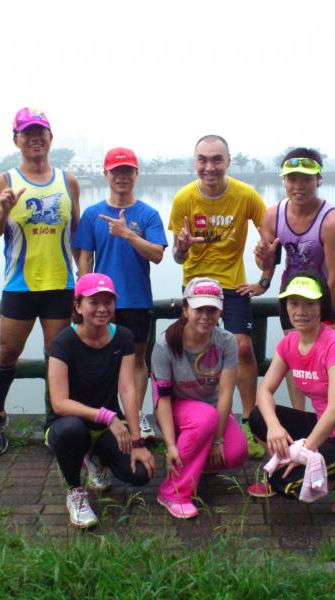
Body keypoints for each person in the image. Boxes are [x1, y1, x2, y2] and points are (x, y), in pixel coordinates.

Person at [0, 107, 80, 456]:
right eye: (27, 133)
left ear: (51, 138)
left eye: (41, 132)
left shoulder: (68, 181)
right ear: (16, 140)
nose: (35, 138)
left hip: (59, 284)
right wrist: (3, 210)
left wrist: (85, 278)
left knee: (57, 355)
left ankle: (55, 420)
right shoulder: (3, 181)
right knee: (8, 353)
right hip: (19, 285)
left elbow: (77, 234)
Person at [248, 274, 335, 517]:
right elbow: (264, 391)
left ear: (322, 307)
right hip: (324, 429)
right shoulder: (289, 343)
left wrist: (304, 451)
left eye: (310, 304)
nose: (301, 311)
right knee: (258, 417)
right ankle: (288, 464)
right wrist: (274, 427)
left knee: (284, 483)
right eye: (294, 303)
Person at [168, 134, 267, 459]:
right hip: (196, 284)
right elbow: (177, 258)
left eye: (216, 159)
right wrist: (182, 248)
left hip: (232, 283)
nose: (209, 167)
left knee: (242, 347)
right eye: (203, 160)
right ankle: (197, 419)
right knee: (193, 352)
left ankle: (250, 421)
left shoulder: (246, 195)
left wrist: (264, 280)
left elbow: (270, 240)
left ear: (228, 161)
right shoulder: (184, 198)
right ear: (195, 161)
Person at [45, 273, 155, 528]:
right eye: (94, 302)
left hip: (105, 427)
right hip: (67, 424)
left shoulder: (123, 337)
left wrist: (137, 441)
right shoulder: (62, 343)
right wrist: (107, 416)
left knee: (140, 473)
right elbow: (59, 403)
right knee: (72, 431)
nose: (102, 308)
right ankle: (75, 492)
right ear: (78, 306)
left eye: (108, 301)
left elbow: (127, 389)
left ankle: (95, 457)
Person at [75, 147, 166, 446]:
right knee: (100, 359)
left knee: (138, 359)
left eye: (128, 171)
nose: (122, 176)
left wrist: (128, 234)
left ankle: (135, 414)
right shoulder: (92, 214)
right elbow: (85, 258)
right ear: (106, 175)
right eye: (116, 171)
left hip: (137, 299)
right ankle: (104, 417)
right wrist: (83, 296)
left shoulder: (148, 214)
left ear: (136, 174)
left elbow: (157, 255)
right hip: (101, 303)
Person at [254, 147, 335, 410]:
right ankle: (301, 419)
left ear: (318, 180)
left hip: (322, 300)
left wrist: (327, 317)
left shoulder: (331, 221)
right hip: (291, 298)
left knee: (325, 361)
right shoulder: (273, 214)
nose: (298, 186)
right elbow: (267, 263)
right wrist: (263, 263)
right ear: (283, 180)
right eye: (292, 179)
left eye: (306, 179)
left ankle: (328, 418)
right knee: (295, 359)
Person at [151, 278, 248, 518]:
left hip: (211, 410)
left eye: (212, 310)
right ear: (186, 309)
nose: (206, 316)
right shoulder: (165, 344)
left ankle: (195, 462)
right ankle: (172, 492)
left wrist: (217, 441)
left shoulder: (226, 341)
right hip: (177, 409)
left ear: (220, 311)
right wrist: (170, 445)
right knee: (205, 418)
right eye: (199, 309)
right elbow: (162, 399)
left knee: (235, 452)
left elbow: (225, 393)